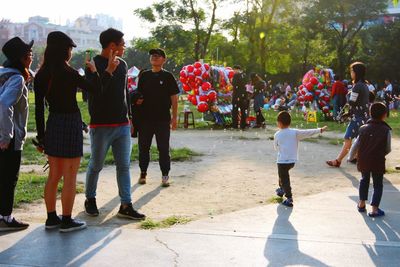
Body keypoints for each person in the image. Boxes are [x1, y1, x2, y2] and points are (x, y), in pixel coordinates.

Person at [34, 31, 101, 232]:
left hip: (53, 122)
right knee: (70, 175)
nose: (71, 52)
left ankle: (51, 218)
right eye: (70, 48)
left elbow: (39, 109)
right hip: (71, 123)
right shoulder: (70, 73)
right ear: (65, 50)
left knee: (54, 175)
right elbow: (95, 90)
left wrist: (41, 136)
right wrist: (94, 71)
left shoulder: (42, 74)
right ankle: (66, 220)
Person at [84, 28, 145, 220]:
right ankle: (90, 199)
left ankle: (126, 204)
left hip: (122, 124)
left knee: (124, 166)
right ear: (112, 46)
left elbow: (124, 92)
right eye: (122, 44)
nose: (124, 47)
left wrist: (130, 117)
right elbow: (94, 93)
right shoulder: (93, 64)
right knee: (96, 164)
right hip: (101, 125)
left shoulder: (124, 64)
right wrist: (108, 70)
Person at [0, 37, 33, 231]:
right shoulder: (16, 78)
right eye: (29, 54)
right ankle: (6, 217)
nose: (31, 57)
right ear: (21, 58)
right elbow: (4, 105)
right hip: (8, 138)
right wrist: (6, 137)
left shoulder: (3, 73)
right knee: (9, 178)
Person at [136, 48, 179, 187]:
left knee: (163, 148)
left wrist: (174, 118)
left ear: (164, 60)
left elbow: (174, 98)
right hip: (145, 119)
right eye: (152, 56)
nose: (154, 57)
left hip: (162, 119)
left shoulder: (168, 76)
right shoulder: (144, 76)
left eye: (158, 56)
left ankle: (165, 175)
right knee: (143, 148)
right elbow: (138, 95)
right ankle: (143, 173)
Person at [274, 111, 327, 207]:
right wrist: (320, 130)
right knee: (283, 176)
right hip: (292, 161)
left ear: (280, 123)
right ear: (289, 123)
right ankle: (282, 189)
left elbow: (276, 147)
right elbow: (307, 132)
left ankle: (289, 197)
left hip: (282, 161)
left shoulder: (277, 134)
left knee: (284, 178)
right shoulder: (295, 132)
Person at [349, 102, 391, 217]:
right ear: (384, 115)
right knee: (378, 184)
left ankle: (362, 204)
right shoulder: (386, 130)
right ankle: (374, 209)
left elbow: (355, 145)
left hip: (364, 159)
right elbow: (388, 148)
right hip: (378, 160)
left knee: (364, 180)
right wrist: (381, 153)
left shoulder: (363, 128)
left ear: (369, 113)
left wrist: (351, 157)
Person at [326, 62, 369, 167]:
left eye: (351, 71)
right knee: (359, 139)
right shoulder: (364, 85)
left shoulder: (357, 86)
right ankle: (357, 158)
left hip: (358, 118)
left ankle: (338, 161)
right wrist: (348, 113)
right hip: (363, 117)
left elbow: (352, 102)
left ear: (356, 72)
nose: (351, 73)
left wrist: (348, 96)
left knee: (347, 138)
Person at [231, 65, 248, 130]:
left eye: (234, 70)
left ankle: (235, 125)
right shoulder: (244, 75)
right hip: (243, 96)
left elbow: (234, 84)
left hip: (236, 96)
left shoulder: (236, 75)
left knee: (235, 111)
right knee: (243, 111)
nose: (233, 71)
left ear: (237, 69)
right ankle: (243, 125)